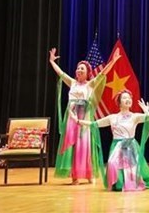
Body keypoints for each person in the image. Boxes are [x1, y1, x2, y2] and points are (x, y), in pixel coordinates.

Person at [71, 89, 149, 191]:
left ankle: (132, 181)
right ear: (119, 102)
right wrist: (78, 121)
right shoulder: (112, 117)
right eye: (124, 98)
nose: (128, 100)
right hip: (117, 146)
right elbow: (95, 124)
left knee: (130, 173)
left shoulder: (134, 117)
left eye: (129, 98)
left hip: (130, 146)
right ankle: (119, 181)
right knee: (113, 169)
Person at [48, 46, 121, 185]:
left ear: (87, 72)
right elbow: (61, 73)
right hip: (72, 118)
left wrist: (113, 61)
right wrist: (52, 61)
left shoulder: (90, 84)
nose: (79, 70)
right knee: (73, 146)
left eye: (82, 68)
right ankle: (74, 176)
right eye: (78, 68)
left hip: (85, 117)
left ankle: (88, 173)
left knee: (85, 145)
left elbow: (103, 74)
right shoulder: (73, 83)